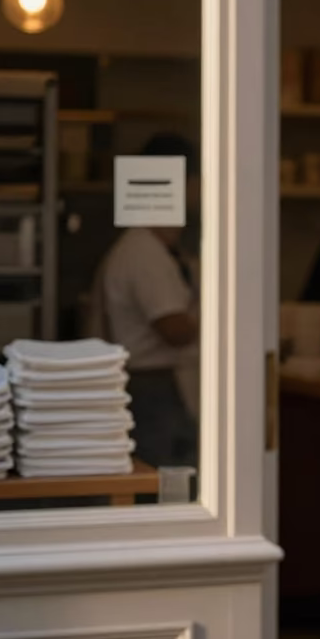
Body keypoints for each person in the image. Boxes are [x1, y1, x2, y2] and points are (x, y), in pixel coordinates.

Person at [90, 133, 200, 470]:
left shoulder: (161, 250)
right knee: (161, 486)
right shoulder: (143, 252)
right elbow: (174, 329)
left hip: (160, 389)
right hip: (152, 391)